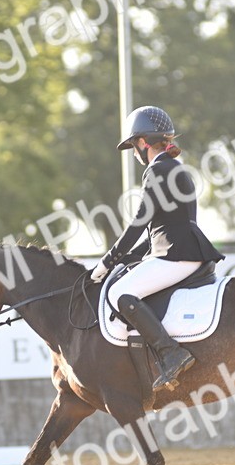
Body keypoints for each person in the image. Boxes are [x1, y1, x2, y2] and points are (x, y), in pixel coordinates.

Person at [90, 106, 225, 393]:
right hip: (184, 252)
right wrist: (125, 260)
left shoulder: (156, 171)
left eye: (133, 146)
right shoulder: (176, 168)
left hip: (176, 256)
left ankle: (170, 353)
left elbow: (139, 223)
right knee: (125, 280)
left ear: (142, 142)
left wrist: (105, 262)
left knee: (119, 293)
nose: (135, 153)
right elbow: (158, 230)